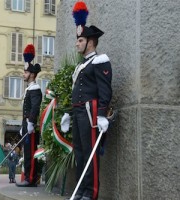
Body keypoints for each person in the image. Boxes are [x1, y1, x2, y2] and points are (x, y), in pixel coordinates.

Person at [61, 2, 112, 200]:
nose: (77, 43)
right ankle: (81, 190)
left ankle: (91, 193)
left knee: (91, 155)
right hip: (79, 113)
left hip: (91, 114)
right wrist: (68, 112)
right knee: (81, 154)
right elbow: (76, 91)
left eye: (80, 40)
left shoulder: (100, 61)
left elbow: (105, 90)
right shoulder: (81, 66)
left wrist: (101, 115)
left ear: (90, 41)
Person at [16, 44, 42, 187]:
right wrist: (23, 125)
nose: (23, 74)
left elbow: (35, 108)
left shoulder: (35, 89)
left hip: (30, 125)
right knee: (27, 152)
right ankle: (28, 177)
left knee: (31, 152)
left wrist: (31, 122)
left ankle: (30, 178)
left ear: (32, 74)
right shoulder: (29, 89)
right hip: (26, 124)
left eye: (25, 72)